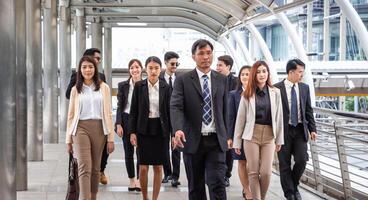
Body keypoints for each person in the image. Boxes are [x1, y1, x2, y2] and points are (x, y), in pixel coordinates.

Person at [171, 39, 229, 200]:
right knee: (195, 187)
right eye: (201, 53)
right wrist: (178, 129)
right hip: (192, 141)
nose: (205, 57)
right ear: (193, 56)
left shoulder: (222, 79)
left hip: (216, 141)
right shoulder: (183, 80)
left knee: (217, 183)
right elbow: (176, 106)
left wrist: (229, 136)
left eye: (209, 53)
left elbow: (226, 110)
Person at [233, 61, 284, 200]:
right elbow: (240, 119)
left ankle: (261, 197)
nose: (262, 74)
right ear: (254, 75)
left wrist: (279, 139)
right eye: (258, 72)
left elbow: (279, 117)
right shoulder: (247, 93)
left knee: (266, 172)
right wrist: (237, 142)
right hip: (251, 135)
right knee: (253, 172)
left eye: (264, 71)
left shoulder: (276, 92)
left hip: (269, 136)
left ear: (268, 73)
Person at [66, 56, 115, 200]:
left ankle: (93, 196)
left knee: (95, 169)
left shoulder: (104, 88)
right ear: (80, 70)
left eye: (90, 67)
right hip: (80, 128)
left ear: (95, 69)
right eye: (84, 67)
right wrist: (68, 139)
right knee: (84, 166)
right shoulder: (76, 89)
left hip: (100, 129)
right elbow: (70, 115)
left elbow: (108, 114)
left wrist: (111, 138)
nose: (87, 70)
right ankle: (84, 197)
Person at [129, 56, 171, 200]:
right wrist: (132, 132)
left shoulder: (166, 87)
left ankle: (155, 198)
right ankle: (145, 197)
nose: (153, 71)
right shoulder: (139, 86)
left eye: (156, 68)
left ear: (161, 69)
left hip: (161, 130)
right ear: (145, 69)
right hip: (143, 129)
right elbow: (133, 111)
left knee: (159, 166)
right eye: (150, 68)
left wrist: (172, 135)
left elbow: (170, 112)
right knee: (143, 166)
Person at [274, 59, 317, 200]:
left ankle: (294, 185)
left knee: (302, 160)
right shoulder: (276, 89)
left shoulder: (304, 88)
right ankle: (289, 193)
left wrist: (312, 128)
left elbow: (308, 110)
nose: (302, 75)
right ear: (291, 72)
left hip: (299, 130)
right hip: (283, 131)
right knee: (284, 164)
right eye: (300, 72)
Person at [115, 59, 143, 192]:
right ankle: (132, 180)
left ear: (141, 69)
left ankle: (139, 180)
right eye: (132, 67)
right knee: (128, 152)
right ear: (129, 70)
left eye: (137, 67)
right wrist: (118, 123)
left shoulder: (146, 85)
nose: (134, 70)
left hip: (141, 121)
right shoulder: (123, 85)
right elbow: (120, 106)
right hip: (126, 119)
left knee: (140, 151)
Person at [227, 65, 252, 199]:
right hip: (239, 134)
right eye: (242, 74)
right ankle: (247, 189)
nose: (245, 77)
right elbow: (231, 117)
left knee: (253, 163)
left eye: (248, 74)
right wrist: (229, 137)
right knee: (242, 162)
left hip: (254, 134)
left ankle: (250, 185)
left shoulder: (258, 92)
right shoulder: (233, 94)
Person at [159, 51, 182, 187]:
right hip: (163, 118)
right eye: (172, 64)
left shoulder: (180, 79)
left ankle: (175, 176)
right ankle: (167, 173)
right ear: (166, 63)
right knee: (163, 147)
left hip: (176, 117)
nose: (175, 66)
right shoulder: (160, 78)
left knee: (176, 146)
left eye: (177, 64)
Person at [216, 54, 237, 187]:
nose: (217, 68)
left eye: (220, 65)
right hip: (218, 119)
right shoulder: (215, 79)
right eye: (217, 65)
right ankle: (219, 173)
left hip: (230, 120)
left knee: (229, 149)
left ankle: (226, 175)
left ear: (228, 67)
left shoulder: (235, 81)